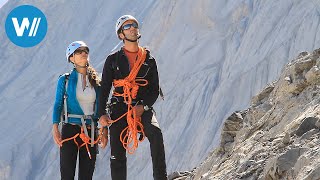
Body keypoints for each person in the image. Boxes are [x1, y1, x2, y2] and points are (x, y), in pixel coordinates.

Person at [98, 15, 168, 180]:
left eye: (134, 25)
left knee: (155, 133)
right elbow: (104, 88)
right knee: (117, 152)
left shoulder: (149, 60)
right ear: (121, 34)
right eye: (127, 26)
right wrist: (101, 113)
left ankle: (161, 177)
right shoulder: (112, 60)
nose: (132, 28)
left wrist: (142, 107)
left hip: (142, 105)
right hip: (119, 105)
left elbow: (154, 89)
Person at [52, 41, 108, 180]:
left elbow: (102, 107)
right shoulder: (64, 80)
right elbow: (58, 104)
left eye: (85, 51)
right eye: (79, 51)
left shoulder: (97, 81)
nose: (84, 53)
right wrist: (55, 128)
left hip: (91, 130)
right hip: (70, 129)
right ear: (71, 58)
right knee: (67, 174)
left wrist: (104, 130)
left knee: (86, 176)